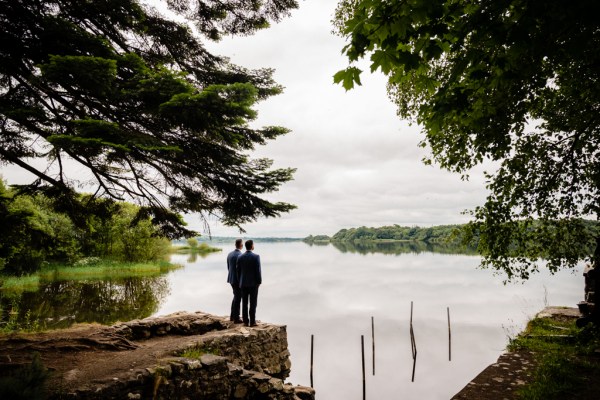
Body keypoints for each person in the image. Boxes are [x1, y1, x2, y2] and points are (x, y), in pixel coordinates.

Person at [237, 239, 262, 327]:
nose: (253, 246)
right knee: (253, 303)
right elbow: (258, 271)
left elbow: (238, 271)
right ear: (251, 246)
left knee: (244, 303)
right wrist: (259, 282)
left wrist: (240, 281)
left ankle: (245, 321)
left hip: (243, 283)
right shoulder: (256, 257)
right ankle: (252, 322)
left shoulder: (240, 257)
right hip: (253, 284)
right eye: (253, 245)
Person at [226, 239, 244, 323]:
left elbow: (228, 267)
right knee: (238, 297)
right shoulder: (241, 255)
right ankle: (236, 318)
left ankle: (232, 316)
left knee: (236, 296)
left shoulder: (229, 254)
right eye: (242, 244)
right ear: (241, 245)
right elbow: (241, 270)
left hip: (231, 278)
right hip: (237, 280)